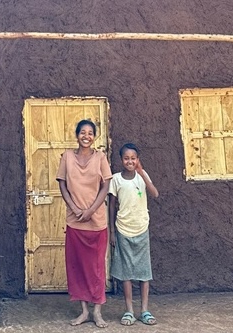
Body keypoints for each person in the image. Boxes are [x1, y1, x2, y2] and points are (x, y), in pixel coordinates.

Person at [57, 119, 113, 328]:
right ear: (77, 134)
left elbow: (105, 185)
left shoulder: (100, 158)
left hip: (96, 222)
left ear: (94, 136)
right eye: (82, 132)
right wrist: (73, 207)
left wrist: (90, 210)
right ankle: (84, 311)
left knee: (96, 268)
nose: (86, 136)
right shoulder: (67, 157)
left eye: (90, 133)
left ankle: (97, 312)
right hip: (75, 223)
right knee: (78, 268)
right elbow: (62, 184)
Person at [108, 143, 159, 326]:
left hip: (141, 229)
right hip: (123, 230)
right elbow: (112, 205)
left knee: (144, 272)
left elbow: (154, 193)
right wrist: (112, 231)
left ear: (138, 159)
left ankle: (144, 310)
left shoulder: (142, 176)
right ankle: (129, 310)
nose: (130, 161)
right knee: (126, 273)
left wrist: (143, 173)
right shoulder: (115, 179)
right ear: (121, 160)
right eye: (126, 158)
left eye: (133, 158)